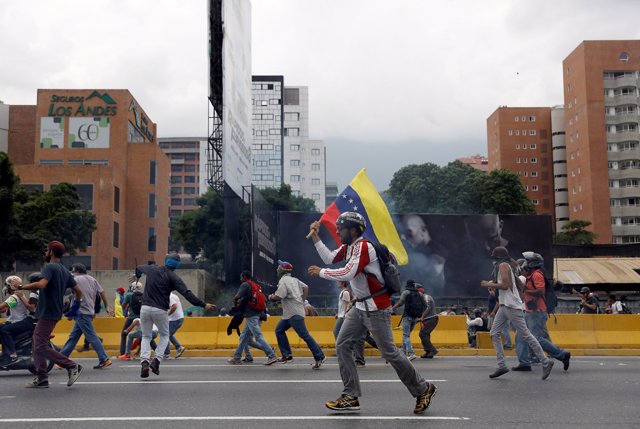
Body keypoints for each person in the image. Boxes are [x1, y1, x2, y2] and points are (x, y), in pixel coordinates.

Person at [307, 212, 436, 414]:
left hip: (377, 308)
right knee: (342, 345)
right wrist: (315, 236)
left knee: (389, 352)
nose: (339, 232)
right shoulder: (349, 247)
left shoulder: (363, 247)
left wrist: (321, 272)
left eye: (342, 228)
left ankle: (423, 388)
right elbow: (330, 257)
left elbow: (348, 273)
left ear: (354, 230)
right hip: (360, 307)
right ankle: (350, 395)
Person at [128, 253, 216, 378]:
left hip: (145, 309)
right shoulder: (174, 277)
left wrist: (137, 276)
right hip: (160, 310)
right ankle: (157, 360)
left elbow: (139, 268)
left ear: (165, 261)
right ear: (177, 265)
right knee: (165, 335)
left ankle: (144, 362)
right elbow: (187, 293)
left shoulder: (152, 269)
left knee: (146, 336)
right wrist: (203, 304)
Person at [480, 246, 553, 380]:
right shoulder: (508, 266)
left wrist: (487, 284)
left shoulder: (503, 265)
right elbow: (518, 284)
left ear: (497, 257)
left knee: (526, 334)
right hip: (504, 305)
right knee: (494, 333)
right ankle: (501, 365)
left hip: (511, 306)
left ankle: (545, 361)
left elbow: (506, 285)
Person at [20, 241, 84, 388]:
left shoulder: (50, 267)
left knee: (40, 346)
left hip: (47, 312)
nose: (45, 252)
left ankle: (72, 366)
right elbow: (79, 291)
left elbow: (41, 284)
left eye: (46, 250)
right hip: (53, 311)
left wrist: (21, 287)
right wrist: (76, 305)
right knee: (37, 344)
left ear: (51, 252)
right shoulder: (64, 270)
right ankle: (42, 378)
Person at [513, 255, 571, 372]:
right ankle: (524, 363)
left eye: (528, 262)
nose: (525, 264)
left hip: (537, 312)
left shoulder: (537, 275)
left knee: (536, 338)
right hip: (529, 311)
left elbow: (540, 291)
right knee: (520, 335)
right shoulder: (531, 275)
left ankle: (562, 354)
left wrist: (526, 290)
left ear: (532, 264)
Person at [268, 260, 326, 368]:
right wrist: (302, 300)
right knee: (279, 330)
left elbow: (279, 296)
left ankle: (320, 356)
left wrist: (271, 297)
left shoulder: (283, 281)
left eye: (278, 267)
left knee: (304, 335)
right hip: (290, 313)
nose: (277, 269)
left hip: (293, 313)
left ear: (281, 270)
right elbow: (306, 287)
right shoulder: (294, 280)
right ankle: (287, 355)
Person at [60, 263, 114, 369]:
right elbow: (102, 292)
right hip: (89, 311)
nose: (72, 272)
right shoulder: (92, 279)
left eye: (73, 270)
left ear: (77, 271)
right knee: (73, 337)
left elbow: (66, 292)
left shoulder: (75, 279)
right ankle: (61, 358)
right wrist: (107, 306)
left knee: (92, 336)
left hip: (81, 311)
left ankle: (105, 359)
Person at [228, 270, 277, 365]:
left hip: (252, 315)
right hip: (258, 314)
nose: (240, 279)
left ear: (244, 277)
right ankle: (239, 357)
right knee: (244, 337)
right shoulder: (256, 285)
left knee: (258, 336)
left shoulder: (245, 285)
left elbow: (237, 296)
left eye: (241, 277)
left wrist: (235, 304)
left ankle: (271, 355)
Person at [0, 276, 38, 363]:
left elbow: (2, 307)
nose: (6, 287)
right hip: (17, 320)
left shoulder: (15, 297)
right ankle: (5, 352)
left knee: (4, 330)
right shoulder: (18, 296)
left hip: (17, 321)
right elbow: (5, 308)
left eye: (7, 285)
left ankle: (11, 354)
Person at [392, 279, 426, 360]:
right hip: (415, 317)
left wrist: (392, 307)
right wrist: (421, 316)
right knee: (406, 335)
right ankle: (403, 353)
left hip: (407, 317)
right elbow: (425, 306)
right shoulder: (420, 294)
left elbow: (400, 302)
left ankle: (411, 353)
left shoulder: (406, 292)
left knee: (405, 335)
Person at [118, 281, 143, 359]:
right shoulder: (143, 295)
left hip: (132, 318)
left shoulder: (129, 295)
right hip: (142, 318)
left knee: (124, 334)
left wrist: (126, 305)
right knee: (145, 335)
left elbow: (123, 306)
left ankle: (123, 353)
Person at [417, 285, 439, 359]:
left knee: (423, 334)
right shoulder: (421, 299)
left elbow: (427, 308)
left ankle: (432, 350)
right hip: (427, 319)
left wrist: (422, 317)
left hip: (431, 319)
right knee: (425, 334)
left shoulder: (426, 297)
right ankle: (428, 352)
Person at [164, 292, 186, 359]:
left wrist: (167, 315)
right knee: (168, 335)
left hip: (175, 319)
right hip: (177, 318)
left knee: (166, 335)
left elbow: (174, 306)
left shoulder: (170, 296)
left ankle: (167, 354)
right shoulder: (173, 295)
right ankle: (178, 347)